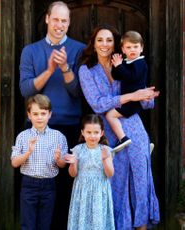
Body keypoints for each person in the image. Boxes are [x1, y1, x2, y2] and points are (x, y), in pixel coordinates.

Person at [78, 25, 160, 230]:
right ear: (93, 44)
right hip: (108, 132)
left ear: (116, 45)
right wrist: (132, 96)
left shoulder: (128, 62)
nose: (104, 44)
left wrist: (147, 97)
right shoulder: (86, 70)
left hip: (134, 127)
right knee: (116, 184)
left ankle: (142, 226)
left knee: (141, 181)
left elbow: (144, 101)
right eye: (100, 40)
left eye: (109, 40)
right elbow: (97, 103)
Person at [19, 1, 85, 229]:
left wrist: (65, 67)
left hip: (68, 126)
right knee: (36, 189)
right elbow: (26, 90)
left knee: (65, 188)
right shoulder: (31, 51)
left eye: (64, 21)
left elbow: (78, 92)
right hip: (37, 128)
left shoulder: (80, 50)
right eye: (55, 19)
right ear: (47, 19)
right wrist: (49, 70)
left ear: (69, 23)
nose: (59, 25)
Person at [11, 94, 67, 230]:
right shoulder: (23, 136)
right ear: (29, 115)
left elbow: (63, 165)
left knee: (45, 224)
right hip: (29, 184)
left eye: (43, 113)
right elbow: (14, 163)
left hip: (49, 185)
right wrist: (28, 152)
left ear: (49, 114)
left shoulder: (58, 136)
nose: (39, 117)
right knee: (27, 224)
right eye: (35, 114)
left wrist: (59, 158)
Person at [65, 114, 115, 230]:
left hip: (99, 191)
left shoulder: (106, 150)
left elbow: (110, 174)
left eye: (96, 132)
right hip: (82, 191)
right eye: (89, 132)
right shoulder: (78, 150)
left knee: (98, 223)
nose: (92, 136)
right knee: (82, 222)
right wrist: (73, 163)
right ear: (82, 132)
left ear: (101, 133)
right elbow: (73, 174)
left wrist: (105, 159)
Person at [105, 30, 149, 152]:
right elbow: (118, 76)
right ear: (123, 50)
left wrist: (120, 66)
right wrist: (115, 66)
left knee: (110, 115)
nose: (132, 50)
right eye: (128, 47)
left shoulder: (140, 63)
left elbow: (131, 77)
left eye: (136, 46)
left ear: (141, 48)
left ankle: (123, 138)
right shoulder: (128, 62)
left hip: (133, 102)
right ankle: (142, 145)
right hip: (129, 100)